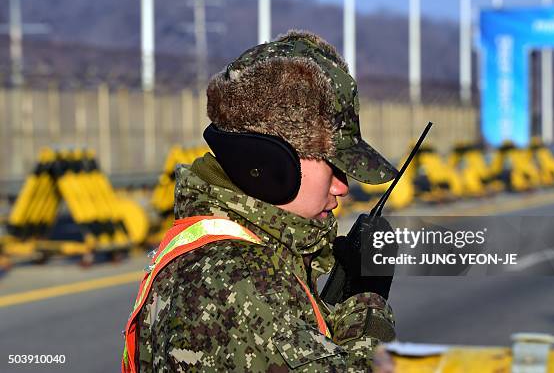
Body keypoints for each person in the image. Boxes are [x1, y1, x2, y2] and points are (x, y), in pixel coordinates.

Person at [122, 30, 399, 372]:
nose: (343, 187)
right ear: (269, 163)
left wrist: (338, 301)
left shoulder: (228, 249)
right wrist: (367, 307)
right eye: (332, 165)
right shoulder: (236, 283)